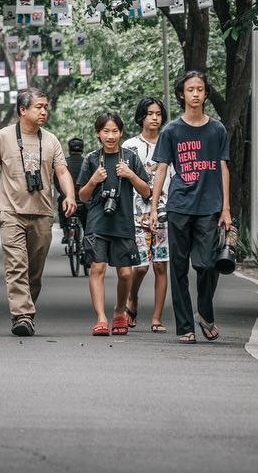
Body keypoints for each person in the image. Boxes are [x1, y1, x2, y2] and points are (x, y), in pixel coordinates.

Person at [0, 87, 78, 337]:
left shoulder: (51, 140)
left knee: (34, 270)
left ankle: (25, 312)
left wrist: (70, 195)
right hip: (11, 212)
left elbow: (62, 171)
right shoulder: (2, 137)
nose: (44, 111)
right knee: (16, 265)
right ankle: (22, 315)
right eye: (38, 107)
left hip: (42, 212)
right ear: (22, 110)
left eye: (46, 107)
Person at [150, 71, 231, 344]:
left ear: (206, 93)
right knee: (179, 268)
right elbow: (162, 169)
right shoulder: (171, 131)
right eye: (190, 90)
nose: (195, 94)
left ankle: (205, 314)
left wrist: (226, 209)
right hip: (179, 206)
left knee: (207, 264)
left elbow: (223, 168)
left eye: (200, 89)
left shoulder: (217, 129)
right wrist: (153, 207)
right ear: (181, 95)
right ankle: (185, 326)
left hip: (210, 206)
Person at [78, 112, 151, 337]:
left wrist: (130, 175)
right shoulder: (91, 159)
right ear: (98, 133)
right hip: (98, 222)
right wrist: (93, 180)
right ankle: (101, 318)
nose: (110, 136)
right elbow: (82, 196)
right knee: (97, 268)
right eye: (106, 131)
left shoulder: (129, 157)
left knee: (126, 274)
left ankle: (119, 311)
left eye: (115, 131)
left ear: (121, 132)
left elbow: (147, 191)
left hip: (123, 223)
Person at [123, 97, 171, 333]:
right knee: (141, 266)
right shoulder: (130, 146)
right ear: (141, 116)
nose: (155, 117)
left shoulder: (169, 142)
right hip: (136, 212)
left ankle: (156, 318)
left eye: (159, 114)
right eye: (150, 113)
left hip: (165, 211)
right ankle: (132, 299)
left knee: (161, 266)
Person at [58, 137, 87, 244]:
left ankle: (66, 232)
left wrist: (63, 193)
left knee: (60, 202)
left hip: (67, 199)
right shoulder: (86, 162)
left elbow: (58, 183)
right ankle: (86, 240)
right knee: (86, 223)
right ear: (82, 149)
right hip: (84, 201)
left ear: (69, 149)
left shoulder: (63, 164)